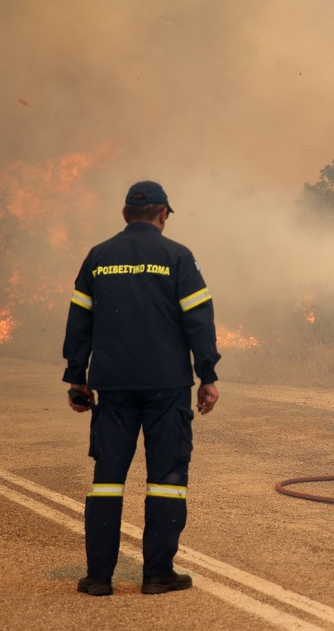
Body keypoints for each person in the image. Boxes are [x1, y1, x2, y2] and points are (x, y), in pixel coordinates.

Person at [61, 180, 220, 596]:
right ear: (163, 213)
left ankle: (98, 577)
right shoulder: (178, 257)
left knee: (107, 480)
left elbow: (79, 321)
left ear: (125, 214)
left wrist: (77, 375)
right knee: (166, 479)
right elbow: (198, 319)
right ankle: (157, 574)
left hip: (112, 386)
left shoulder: (99, 257)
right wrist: (208, 375)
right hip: (167, 386)